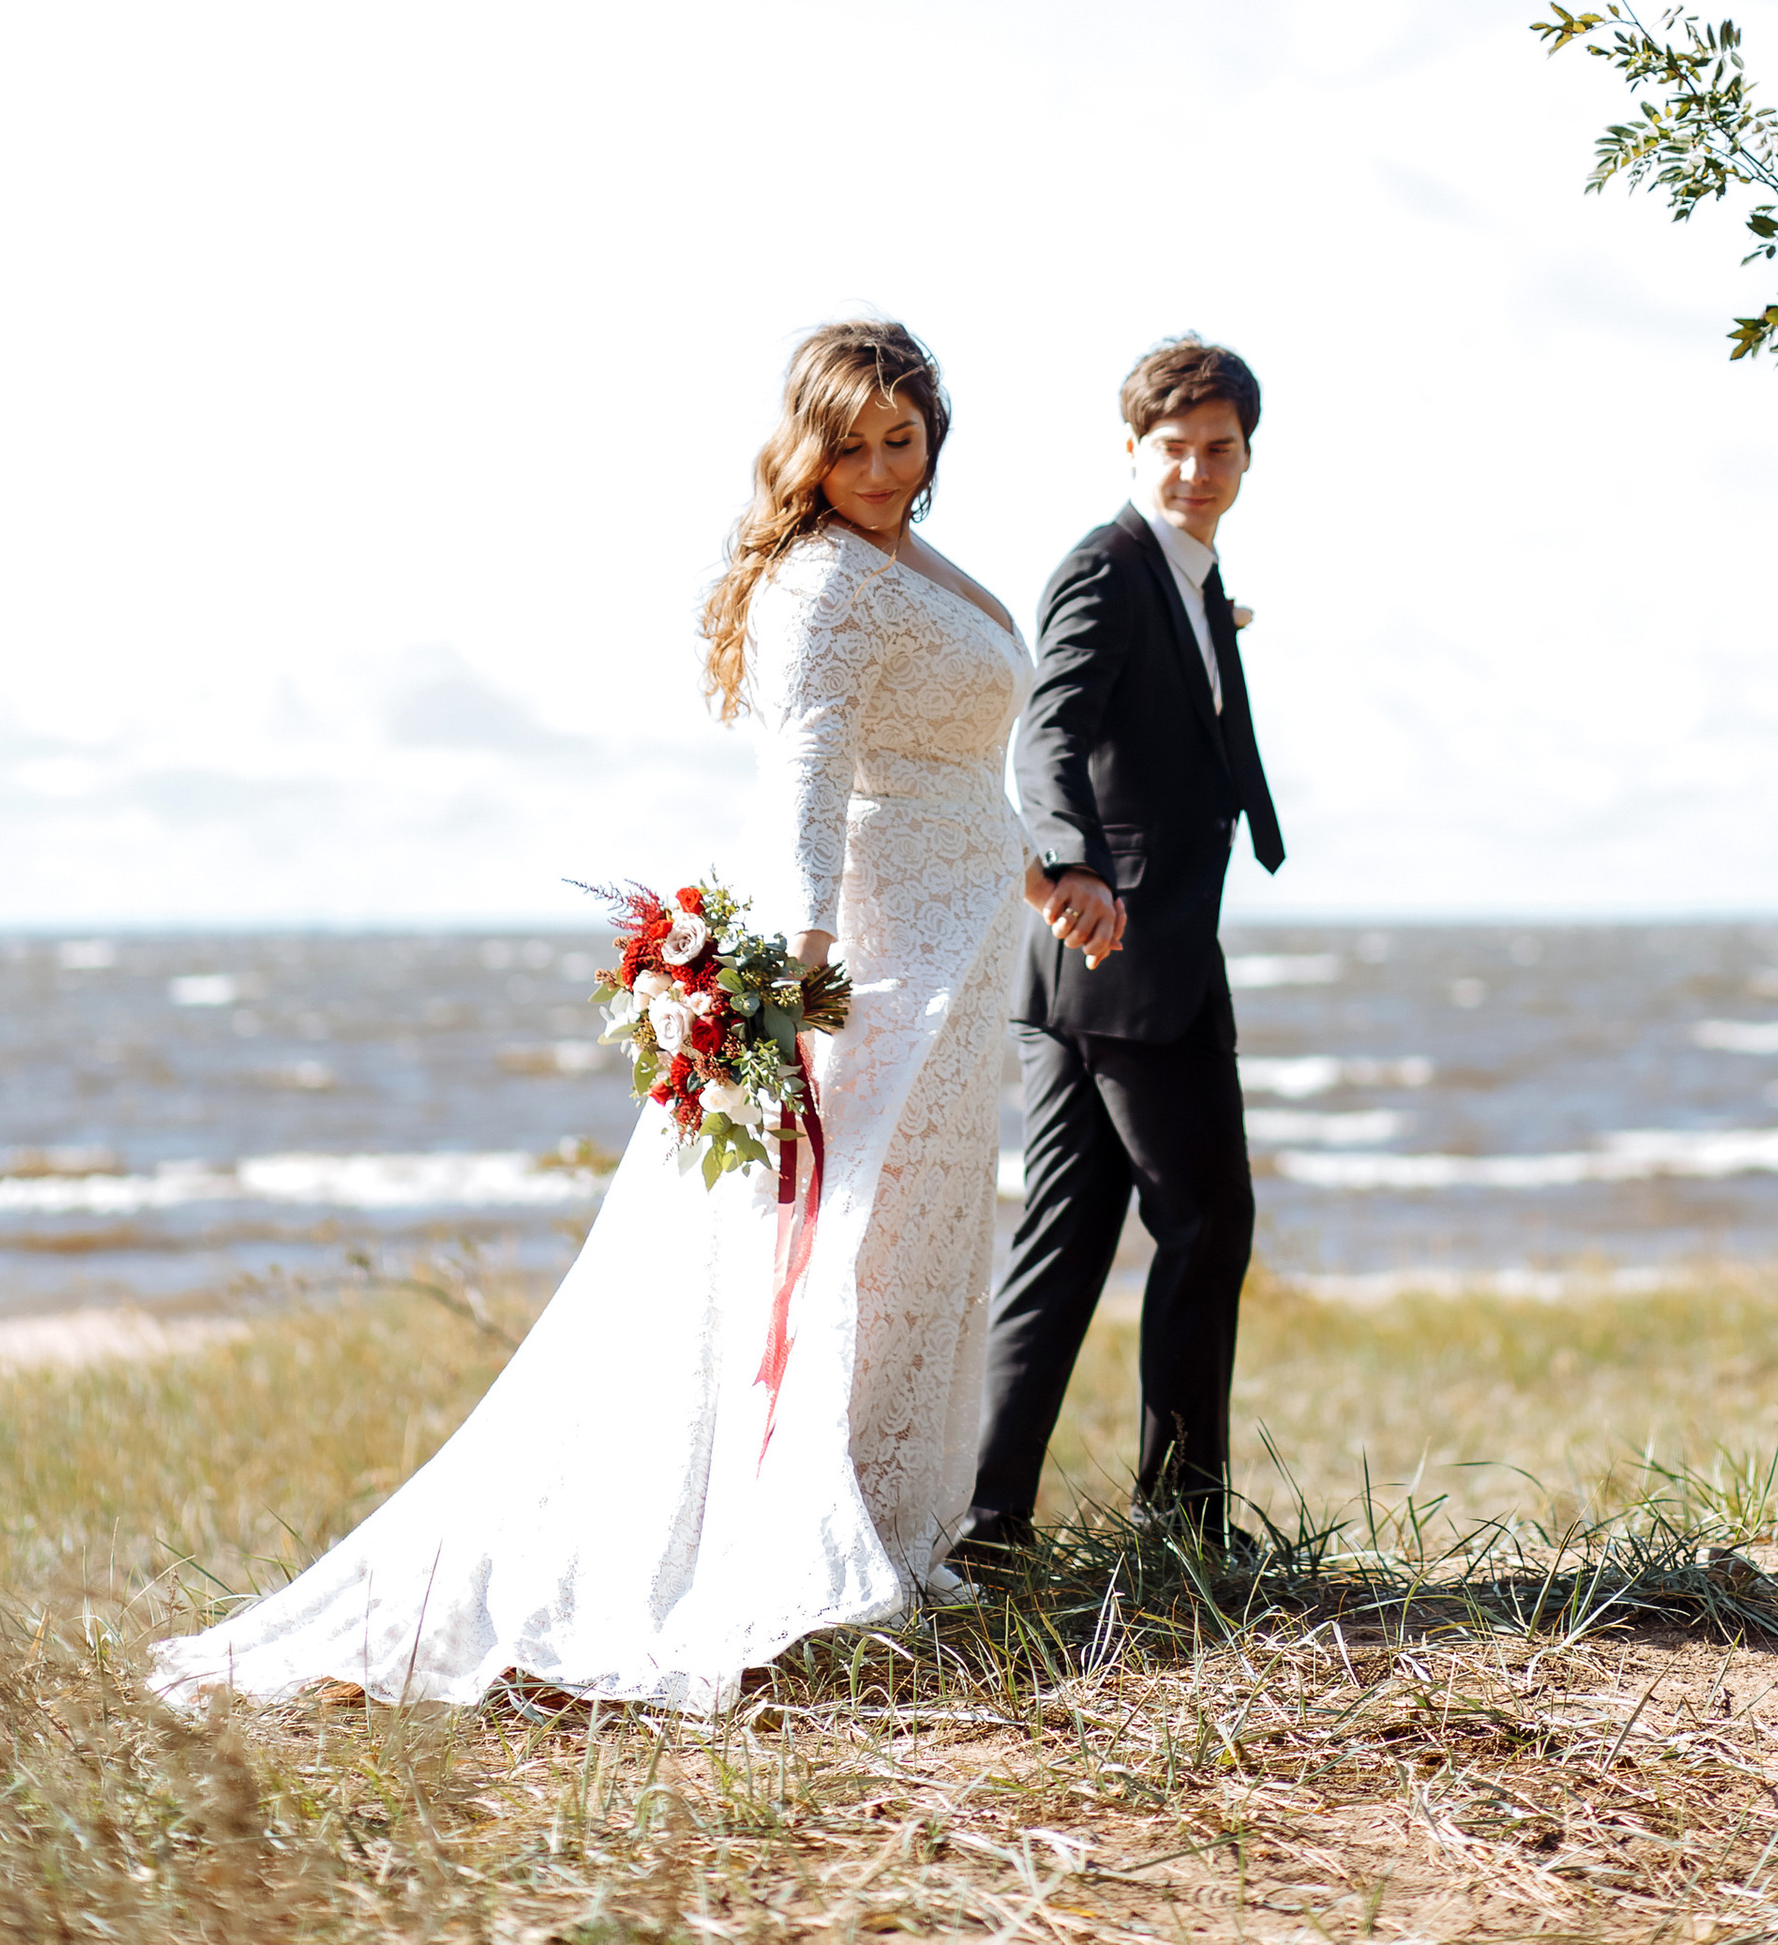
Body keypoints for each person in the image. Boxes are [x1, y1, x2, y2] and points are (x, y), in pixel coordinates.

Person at [152, 320, 1121, 1716]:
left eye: (900, 443)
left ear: (935, 437)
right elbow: (804, 792)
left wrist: (1043, 877)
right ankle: (776, 1559)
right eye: (847, 447)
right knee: (835, 1249)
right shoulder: (821, 588)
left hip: (967, 950)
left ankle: (890, 1544)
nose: (877, 471)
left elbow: (958, 763)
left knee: (922, 1246)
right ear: (803, 444)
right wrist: (792, 987)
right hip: (880, 968)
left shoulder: (916, 560)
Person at [961, 335, 1283, 1561]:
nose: (1197, 470)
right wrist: (1071, 857)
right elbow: (1049, 731)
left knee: (1065, 1240)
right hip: (1120, 951)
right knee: (1209, 1221)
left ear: (1249, 455)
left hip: (1145, 960)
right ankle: (1184, 1522)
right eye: (1175, 449)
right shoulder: (1102, 568)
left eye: (1221, 449)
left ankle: (989, 1527)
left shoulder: (1193, 575)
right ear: (1132, 450)